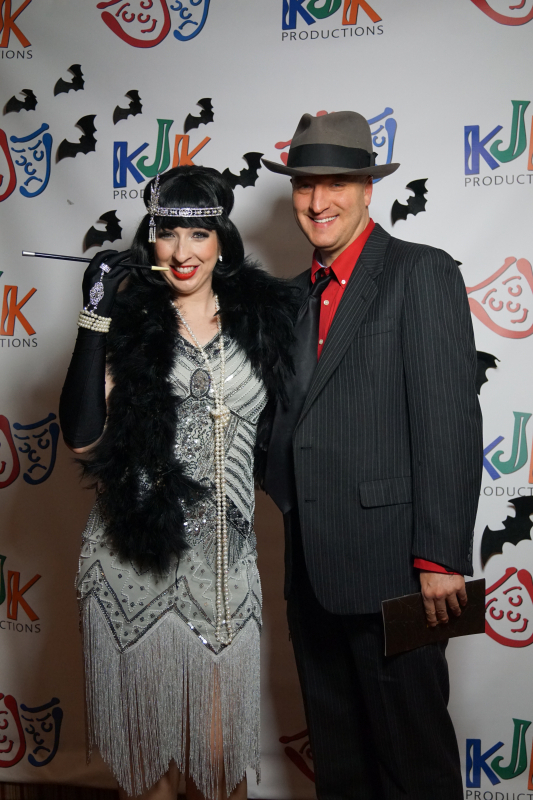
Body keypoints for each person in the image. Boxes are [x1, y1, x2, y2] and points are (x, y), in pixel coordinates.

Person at [261, 111, 483, 800]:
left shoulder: (420, 271)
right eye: (305, 185)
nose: (317, 201)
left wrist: (439, 560)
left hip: (397, 572)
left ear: (366, 188)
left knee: (414, 768)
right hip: (312, 577)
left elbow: (449, 422)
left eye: (335, 183)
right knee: (341, 770)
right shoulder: (289, 299)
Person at [58, 166, 296, 800]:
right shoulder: (130, 322)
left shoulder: (265, 320)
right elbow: (81, 439)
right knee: (148, 774)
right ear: (151, 241)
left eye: (198, 233)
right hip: (132, 562)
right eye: (168, 233)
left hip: (223, 569)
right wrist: (94, 317)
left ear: (221, 239)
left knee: (219, 764)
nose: (183, 251)